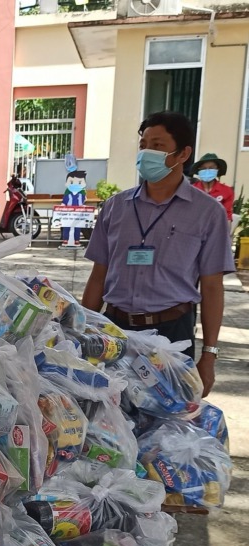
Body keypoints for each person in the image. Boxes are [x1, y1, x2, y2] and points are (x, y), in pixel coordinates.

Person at [81, 111, 233, 396]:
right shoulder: (116, 207)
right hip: (115, 329)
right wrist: (79, 331)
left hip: (172, 332)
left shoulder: (207, 213)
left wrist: (209, 354)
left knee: (166, 422)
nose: (147, 152)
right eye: (143, 145)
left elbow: (212, 287)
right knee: (111, 418)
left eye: (158, 145)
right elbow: (98, 275)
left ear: (182, 153)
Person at [190, 153, 235, 222]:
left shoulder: (227, 191)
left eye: (211, 168)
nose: (207, 170)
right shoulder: (191, 190)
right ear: (199, 171)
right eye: (203, 168)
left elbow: (227, 216)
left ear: (217, 169)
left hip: (217, 228)